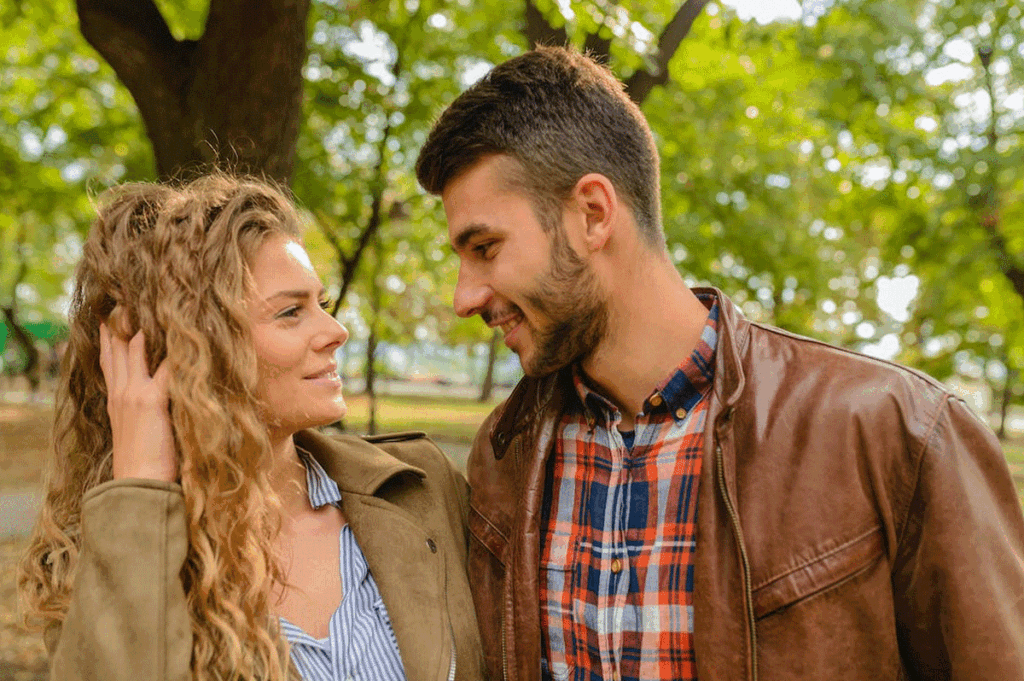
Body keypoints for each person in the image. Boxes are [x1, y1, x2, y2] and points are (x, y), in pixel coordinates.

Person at [414, 45, 1024, 681]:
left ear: (592, 214)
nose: (464, 298)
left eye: (485, 247)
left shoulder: (896, 430)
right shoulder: (505, 453)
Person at [18, 174, 484, 681]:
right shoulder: (107, 553)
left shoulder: (419, 487)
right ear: (190, 348)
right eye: (290, 312)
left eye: (320, 305)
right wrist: (141, 484)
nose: (335, 331)